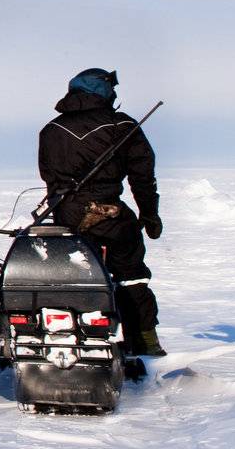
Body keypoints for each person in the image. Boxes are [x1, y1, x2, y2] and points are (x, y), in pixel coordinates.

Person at [37, 68, 166, 357]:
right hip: (110, 215)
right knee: (131, 274)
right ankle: (144, 341)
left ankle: (74, 335)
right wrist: (149, 214)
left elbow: (49, 179)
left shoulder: (51, 130)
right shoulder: (122, 125)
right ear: (105, 91)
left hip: (65, 217)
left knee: (75, 275)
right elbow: (142, 177)